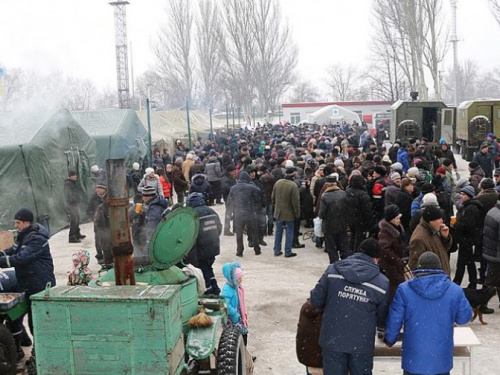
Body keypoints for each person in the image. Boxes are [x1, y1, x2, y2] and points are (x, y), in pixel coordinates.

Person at [310, 238, 390, 375]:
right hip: (361, 343)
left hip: (332, 338)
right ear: (376, 259)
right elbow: (382, 317)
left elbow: (316, 299)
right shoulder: (382, 283)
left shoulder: (333, 270)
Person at [384, 252, 472, 375]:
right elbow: (464, 318)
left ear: (419, 268)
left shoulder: (404, 290)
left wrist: (389, 339)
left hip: (414, 359)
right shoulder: (454, 290)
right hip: (441, 359)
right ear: (440, 268)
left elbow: (395, 319)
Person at [0, 208, 56, 340]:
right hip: (27, 283)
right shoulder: (23, 235)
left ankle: (39, 354)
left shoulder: (37, 239)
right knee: (30, 321)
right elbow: (12, 251)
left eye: (18, 223)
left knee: (38, 323)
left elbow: (21, 258)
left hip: (41, 286)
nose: (15, 226)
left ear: (26, 222)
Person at [185, 193, 222, 295]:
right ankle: (215, 287)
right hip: (213, 246)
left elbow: (190, 234)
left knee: (203, 269)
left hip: (201, 248)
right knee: (208, 267)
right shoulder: (212, 211)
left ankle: (209, 290)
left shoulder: (193, 214)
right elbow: (219, 228)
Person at [226, 171, 262, 256]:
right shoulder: (251, 187)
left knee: (239, 233)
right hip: (250, 212)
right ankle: (257, 249)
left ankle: (239, 250)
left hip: (238, 213)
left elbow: (229, 202)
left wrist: (229, 213)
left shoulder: (233, 188)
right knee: (254, 231)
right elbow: (259, 194)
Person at [452, 186, 482, 289]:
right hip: (466, 239)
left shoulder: (471, 208)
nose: (461, 196)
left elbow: (468, 225)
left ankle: (457, 282)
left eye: (464, 194)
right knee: (469, 262)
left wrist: (456, 224)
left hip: (467, 239)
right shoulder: (467, 206)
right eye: (461, 193)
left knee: (462, 263)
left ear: (469, 196)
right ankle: (471, 282)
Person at [408, 205, 452, 275]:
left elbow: (443, 250)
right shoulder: (418, 239)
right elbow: (415, 268)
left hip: (441, 279)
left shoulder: (433, 230)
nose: (442, 221)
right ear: (431, 221)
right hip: (433, 282)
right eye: (439, 219)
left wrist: (445, 237)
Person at [319, 173, 350, 263]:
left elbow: (321, 214)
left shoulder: (325, 196)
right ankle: (345, 263)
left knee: (332, 248)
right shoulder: (343, 194)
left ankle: (335, 265)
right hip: (342, 224)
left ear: (327, 185)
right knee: (344, 246)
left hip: (329, 226)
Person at [378, 205, 406, 301]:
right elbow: (384, 250)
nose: (399, 220)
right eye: (397, 218)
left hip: (396, 265)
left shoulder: (397, 228)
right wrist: (397, 260)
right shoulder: (385, 232)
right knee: (394, 291)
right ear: (391, 219)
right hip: (390, 267)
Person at [271, 167, 301, 258]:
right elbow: (295, 202)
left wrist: (276, 207)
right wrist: (297, 214)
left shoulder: (278, 183)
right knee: (289, 232)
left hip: (278, 212)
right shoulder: (293, 186)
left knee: (278, 231)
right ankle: (288, 251)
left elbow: (273, 198)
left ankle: (277, 250)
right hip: (289, 213)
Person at [220, 262, 249, 344]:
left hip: (238, 315)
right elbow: (225, 304)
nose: (241, 280)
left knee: (243, 334)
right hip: (232, 318)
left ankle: (244, 351)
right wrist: (235, 314)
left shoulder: (236, 287)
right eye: (239, 278)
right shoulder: (227, 289)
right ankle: (241, 352)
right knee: (237, 336)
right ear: (233, 278)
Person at [86, 184, 110, 266]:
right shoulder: (94, 198)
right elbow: (88, 210)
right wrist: (95, 217)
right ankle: (100, 256)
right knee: (98, 240)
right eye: (97, 188)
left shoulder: (109, 198)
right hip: (98, 224)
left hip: (108, 223)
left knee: (109, 240)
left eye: (100, 188)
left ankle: (109, 256)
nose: (97, 190)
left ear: (104, 189)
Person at [64, 170, 84, 243]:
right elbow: (69, 194)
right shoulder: (68, 183)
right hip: (71, 204)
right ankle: (72, 236)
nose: (76, 176)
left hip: (74, 203)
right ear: (70, 176)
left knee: (77, 218)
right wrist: (75, 199)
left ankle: (77, 233)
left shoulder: (72, 183)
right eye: (74, 175)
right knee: (74, 219)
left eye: (76, 175)